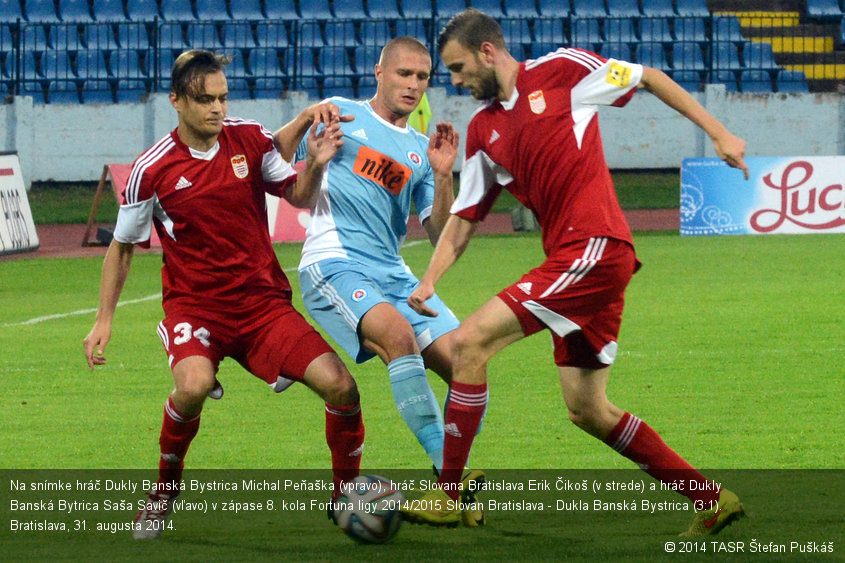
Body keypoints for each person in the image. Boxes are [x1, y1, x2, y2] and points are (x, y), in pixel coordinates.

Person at [402, 9, 749, 536]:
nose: (453, 81)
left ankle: (449, 493)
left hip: (595, 248)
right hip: (578, 266)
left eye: (457, 67)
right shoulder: (485, 129)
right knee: (588, 409)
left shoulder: (563, 71)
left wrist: (720, 133)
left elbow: (648, 77)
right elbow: (465, 218)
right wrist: (429, 280)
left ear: (488, 52)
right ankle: (712, 498)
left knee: (468, 345)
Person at [82, 50, 365, 539]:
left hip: (262, 305)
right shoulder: (153, 169)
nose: (216, 108)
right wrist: (103, 319)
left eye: (222, 97)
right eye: (203, 99)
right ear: (176, 101)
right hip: (197, 307)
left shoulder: (248, 139)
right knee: (191, 387)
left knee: (341, 386)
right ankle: (162, 496)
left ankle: (347, 498)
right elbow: (123, 246)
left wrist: (315, 163)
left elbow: (297, 194)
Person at [285, 37, 485, 526]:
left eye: (422, 77)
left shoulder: (421, 150)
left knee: (465, 356)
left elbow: (439, 232)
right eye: (404, 74)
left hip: (392, 272)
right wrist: (309, 138)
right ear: (379, 72)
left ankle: (449, 485)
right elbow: (279, 168)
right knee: (398, 337)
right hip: (334, 263)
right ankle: (452, 482)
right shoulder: (341, 116)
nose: (413, 85)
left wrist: (442, 177)